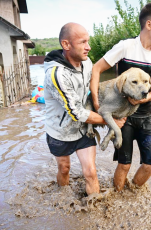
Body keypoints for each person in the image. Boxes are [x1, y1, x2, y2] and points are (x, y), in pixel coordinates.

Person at [91, 3, 151, 192]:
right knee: (124, 165)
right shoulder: (126, 47)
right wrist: (95, 103)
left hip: (147, 116)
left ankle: (132, 193)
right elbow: (96, 69)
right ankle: (117, 197)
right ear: (149, 24)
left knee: (150, 165)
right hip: (123, 117)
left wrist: (144, 98)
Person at [43, 22, 126, 195]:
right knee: (64, 168)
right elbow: (76, 113)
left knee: (90, 172)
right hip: (60, 132)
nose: (88, 47)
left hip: (82, 130)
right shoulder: (57, 75)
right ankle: (63, 199)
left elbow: (95, 84)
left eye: (88, 41)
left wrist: (117, 102)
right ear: (66, 44)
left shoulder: (86, 62)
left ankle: (94, 213)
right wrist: (112, 122)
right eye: (83, 42)